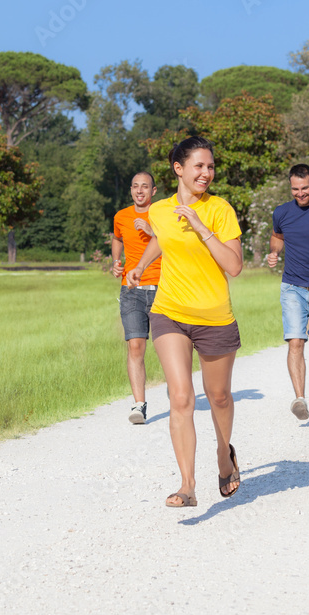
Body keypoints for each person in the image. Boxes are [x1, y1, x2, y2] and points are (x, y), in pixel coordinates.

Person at [126, 137, 243, 508]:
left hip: (214, 317)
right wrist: (142, 266)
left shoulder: (220, 210)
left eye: (210, 167)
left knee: (219, 396)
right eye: (199, 166)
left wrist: (200, 227)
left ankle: (225, 454)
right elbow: (162, 237)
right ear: (179, 168)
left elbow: (235, 266)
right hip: (169, 311)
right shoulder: (160, 210)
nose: (206, 173)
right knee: (181, 397)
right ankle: (187, 485)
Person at [267, 164, 309, 420]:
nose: (300, 194)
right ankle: (299, 398)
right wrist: (275, 252)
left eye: (305, 188)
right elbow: (278, 236)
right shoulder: (282, 212)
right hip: (293, 287)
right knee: (295, 341)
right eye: (295, 189)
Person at [111, 172, 160, 424]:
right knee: (135, 345)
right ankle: (139, 405)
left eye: (145, 187)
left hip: (163, 288)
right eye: (135, 187)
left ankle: (179, 393)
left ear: (153, 191)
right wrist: (116, 262)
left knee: (167, 348)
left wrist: (152, 230)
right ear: (131, 190)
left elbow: (174, 243)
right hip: (131, 290)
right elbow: (117, 239)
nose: (140, 191)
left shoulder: (163, 213)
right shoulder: (121, 216)